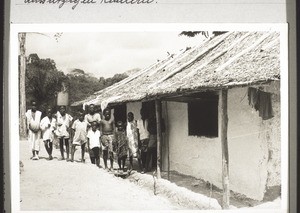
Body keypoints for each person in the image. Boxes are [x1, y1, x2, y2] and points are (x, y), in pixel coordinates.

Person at [136, 107, 150, 173]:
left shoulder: (148, 120)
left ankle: (146, 167)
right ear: (141, 113)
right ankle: (143, 167)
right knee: (142, 154)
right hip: (142, 139)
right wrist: (138, 141)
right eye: (142, 112)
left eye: (144, 112)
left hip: (147, 138)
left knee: (147, 154)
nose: (143, 114)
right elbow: (138, 132)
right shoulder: (139, 121)